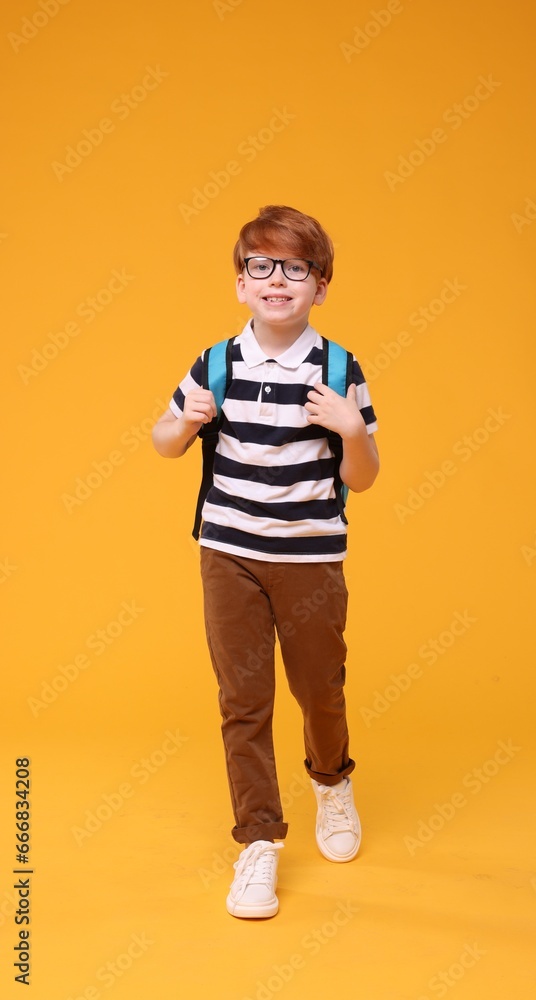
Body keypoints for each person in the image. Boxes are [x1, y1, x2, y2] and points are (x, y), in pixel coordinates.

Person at [152, 205, 379, 918]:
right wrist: (183, 422)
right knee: (242, 701)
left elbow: (365, 476)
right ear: (241, 284)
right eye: (261, 266)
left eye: (296, 267)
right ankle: (258, 842)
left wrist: (350, 430)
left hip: (310, 558)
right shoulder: (213, 364)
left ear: (319, 285)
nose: (277, 279)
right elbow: (163, 441)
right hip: (229, 555)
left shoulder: (339, 368)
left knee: (319, 689)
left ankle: (331, 781)